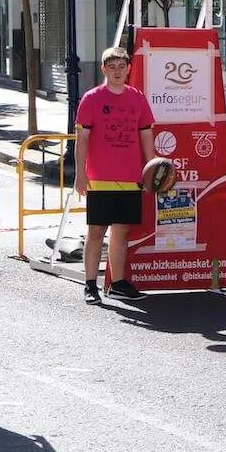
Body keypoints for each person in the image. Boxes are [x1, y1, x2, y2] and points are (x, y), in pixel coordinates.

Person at [75, 47, 156, 304]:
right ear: (103, 69)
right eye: (112, 67)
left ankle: (117, 283)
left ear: (129, 68)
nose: (118, 71)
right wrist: (80, 173)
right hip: (99, 177)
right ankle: (90, 285)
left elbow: (145, 134)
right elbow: (82, 138)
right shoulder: (91, 98)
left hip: (131, 176)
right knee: (96, 231)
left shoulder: (137, 98)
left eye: (122, 66)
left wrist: (152, 168)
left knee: (121, 232)